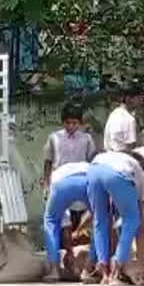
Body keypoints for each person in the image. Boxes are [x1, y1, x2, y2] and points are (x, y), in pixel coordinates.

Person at [87, 150, 144, 286]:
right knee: (132, 220)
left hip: (93, 169)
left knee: (100, 220)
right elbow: (141, 223)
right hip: (116, 174)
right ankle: (115, 273)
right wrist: (141, 260)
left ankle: (104, 273)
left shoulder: (116, 157)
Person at [43, 102, 97, 244]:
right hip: (60, 184)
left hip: (81, 184)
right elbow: (48, 162)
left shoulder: (86, 139)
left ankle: (79, 250)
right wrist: (46, 185)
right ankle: (64, 254)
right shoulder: (54, 137)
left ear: (79, 123)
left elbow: (92, 161)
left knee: (81, 222)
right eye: (68, 123)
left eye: (75, 123)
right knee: (62, 223)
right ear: (63, 122)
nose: (71, 126)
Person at [43, 161, 98, 283]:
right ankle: (88, 270)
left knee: (51, 221)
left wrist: (69, 250)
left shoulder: (56, 175)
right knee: (100, 222)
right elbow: (94, 216)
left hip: (61, 184)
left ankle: (54, 270)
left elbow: (64, 223)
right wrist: (70, 250)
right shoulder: (88, 166)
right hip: (89, 181)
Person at [104, 82, 143, 152]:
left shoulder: (113, 114)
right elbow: (130, 149)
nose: (141, 101)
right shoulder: (129, 119)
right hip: (124, 160)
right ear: (128, 99)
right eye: (139, 98)